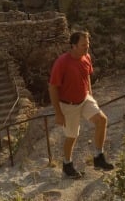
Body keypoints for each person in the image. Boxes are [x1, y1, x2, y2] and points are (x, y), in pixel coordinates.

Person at [49, 30, 114, 179]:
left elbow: (87, 76)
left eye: (88, 44)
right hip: (68, 105)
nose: (87, 47)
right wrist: (58, 113)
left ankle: (98, 157)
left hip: (84, 99)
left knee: (102, 120)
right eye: (83, 45)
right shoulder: (62, 62)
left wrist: (90, 93)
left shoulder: (86, 57)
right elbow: (52, 87)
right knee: (72, 136)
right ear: (73, 45)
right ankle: (67, 165)